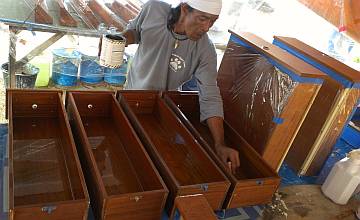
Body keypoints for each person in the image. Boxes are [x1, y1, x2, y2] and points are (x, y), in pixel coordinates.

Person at [121, 0, 240, 172]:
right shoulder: (153, 9)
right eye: (202, 19)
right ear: (185, 9)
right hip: (131, 97)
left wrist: (220, 144)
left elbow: (210, 96)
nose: (207, 27)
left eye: (213, 21)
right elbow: (136, 31)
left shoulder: (205, 50)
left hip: (163, 110)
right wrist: (122, 39)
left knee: (156, 162)